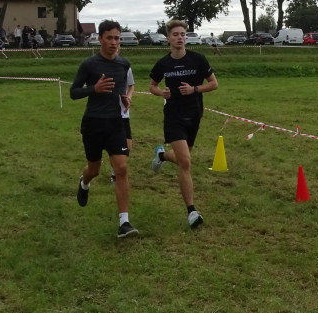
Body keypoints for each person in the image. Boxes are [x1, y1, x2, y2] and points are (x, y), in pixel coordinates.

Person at [69, 20, 137, 238]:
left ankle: (124, 223)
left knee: (122, 168)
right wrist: (94, 89)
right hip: (93, 123)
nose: (114, 42)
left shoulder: (123, 64)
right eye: (109, 38)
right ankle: (84, 182)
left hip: (116, 123)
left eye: (117, 38)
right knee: (94, 170)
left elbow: (120, 88)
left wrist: (124, 97)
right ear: (100, 39)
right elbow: (73, 92)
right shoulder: (89, 64)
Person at [149, 19, 219, 229]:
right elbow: (152, 85)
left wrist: (195, 89)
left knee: (182, 158)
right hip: (173, 117)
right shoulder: (163, 64)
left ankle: (161, 155)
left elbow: (214, 84)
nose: (180, 37)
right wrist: (162, 92)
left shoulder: (198, 59)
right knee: (186, 162)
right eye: (176, 34)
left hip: (194, 115)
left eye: (183, 34)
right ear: (168, 38)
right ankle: (192, 211)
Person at [111, 67, 135, 183]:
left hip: (124, 113)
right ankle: (115, 173)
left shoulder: (126, 67)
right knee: (114, 147)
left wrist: (129, 97)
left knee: (127, 146)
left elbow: (131, 86)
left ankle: (116, 169)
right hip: (108, 113)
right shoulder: (102, 66)